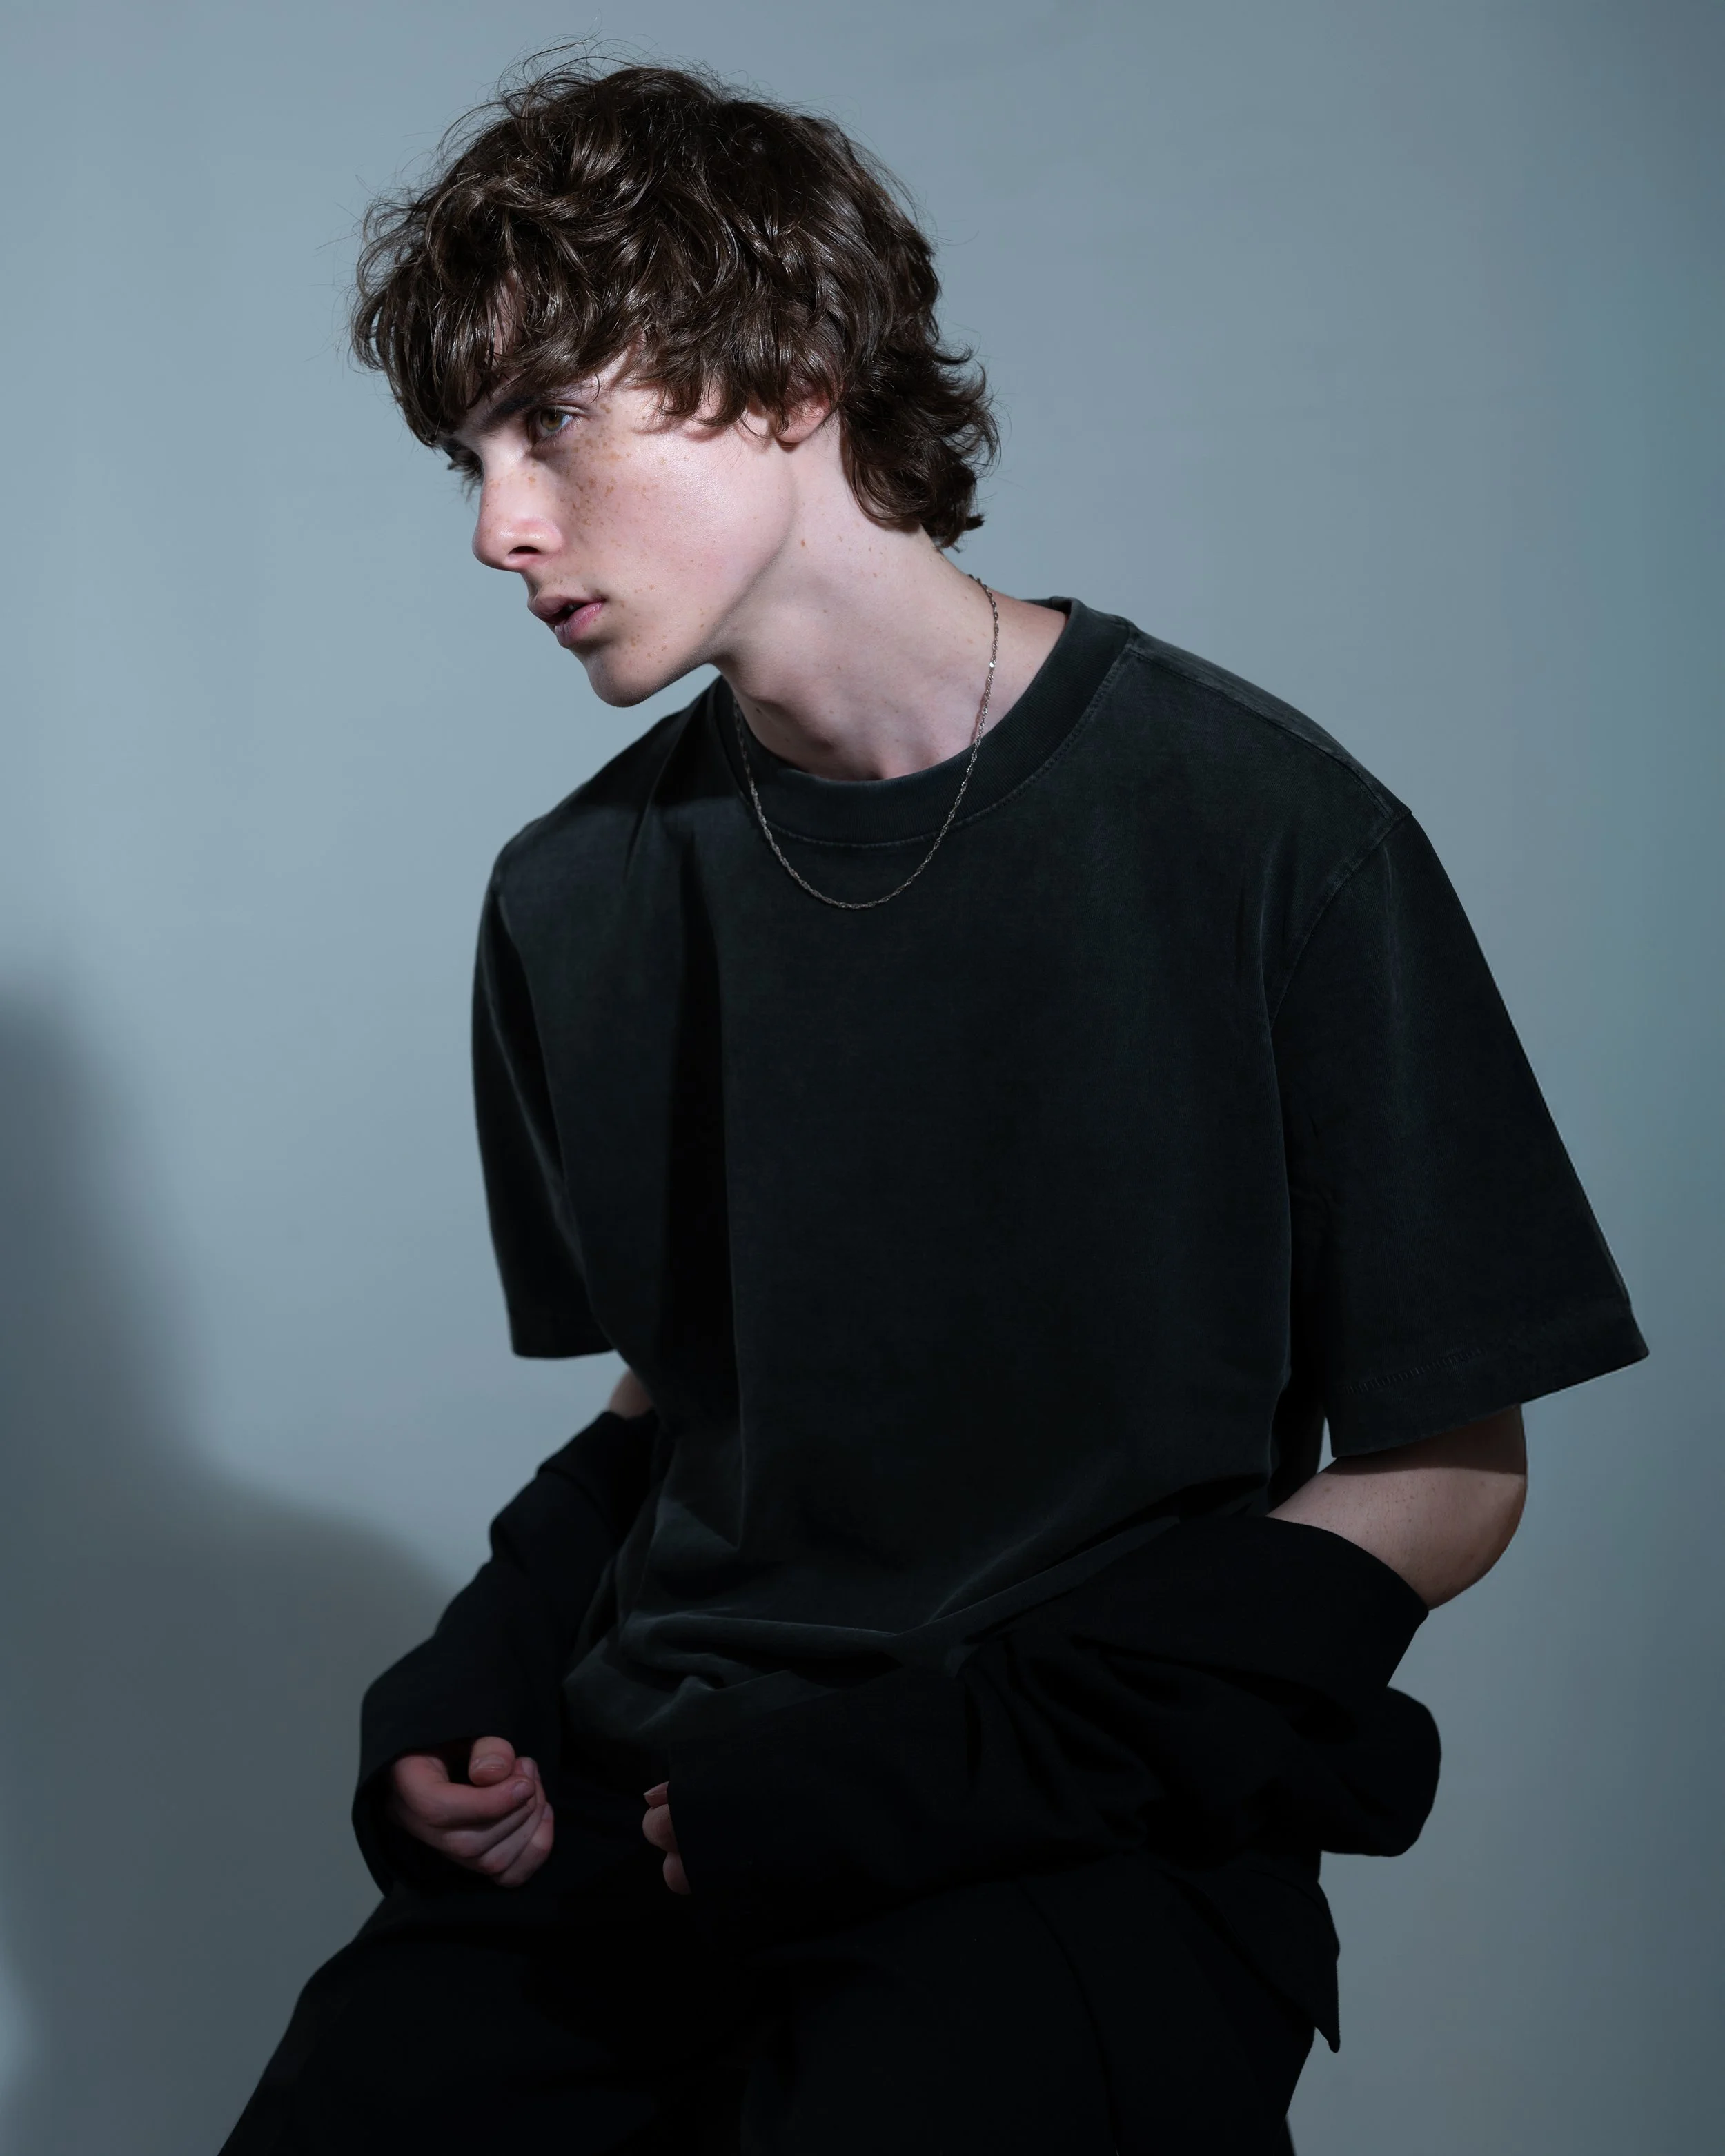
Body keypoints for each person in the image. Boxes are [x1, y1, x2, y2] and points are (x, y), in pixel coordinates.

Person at [219, 52, 1647, 2156]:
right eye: (466, 450)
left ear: (785, 367)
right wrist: (482, 1664)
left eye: (548, 422)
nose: (497, 526)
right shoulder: (570, 898)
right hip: (656, 1805)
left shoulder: (1268, 835)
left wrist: (942, 1757)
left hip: (1061, 1832)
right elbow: (687, 1398)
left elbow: (1448, 1474)